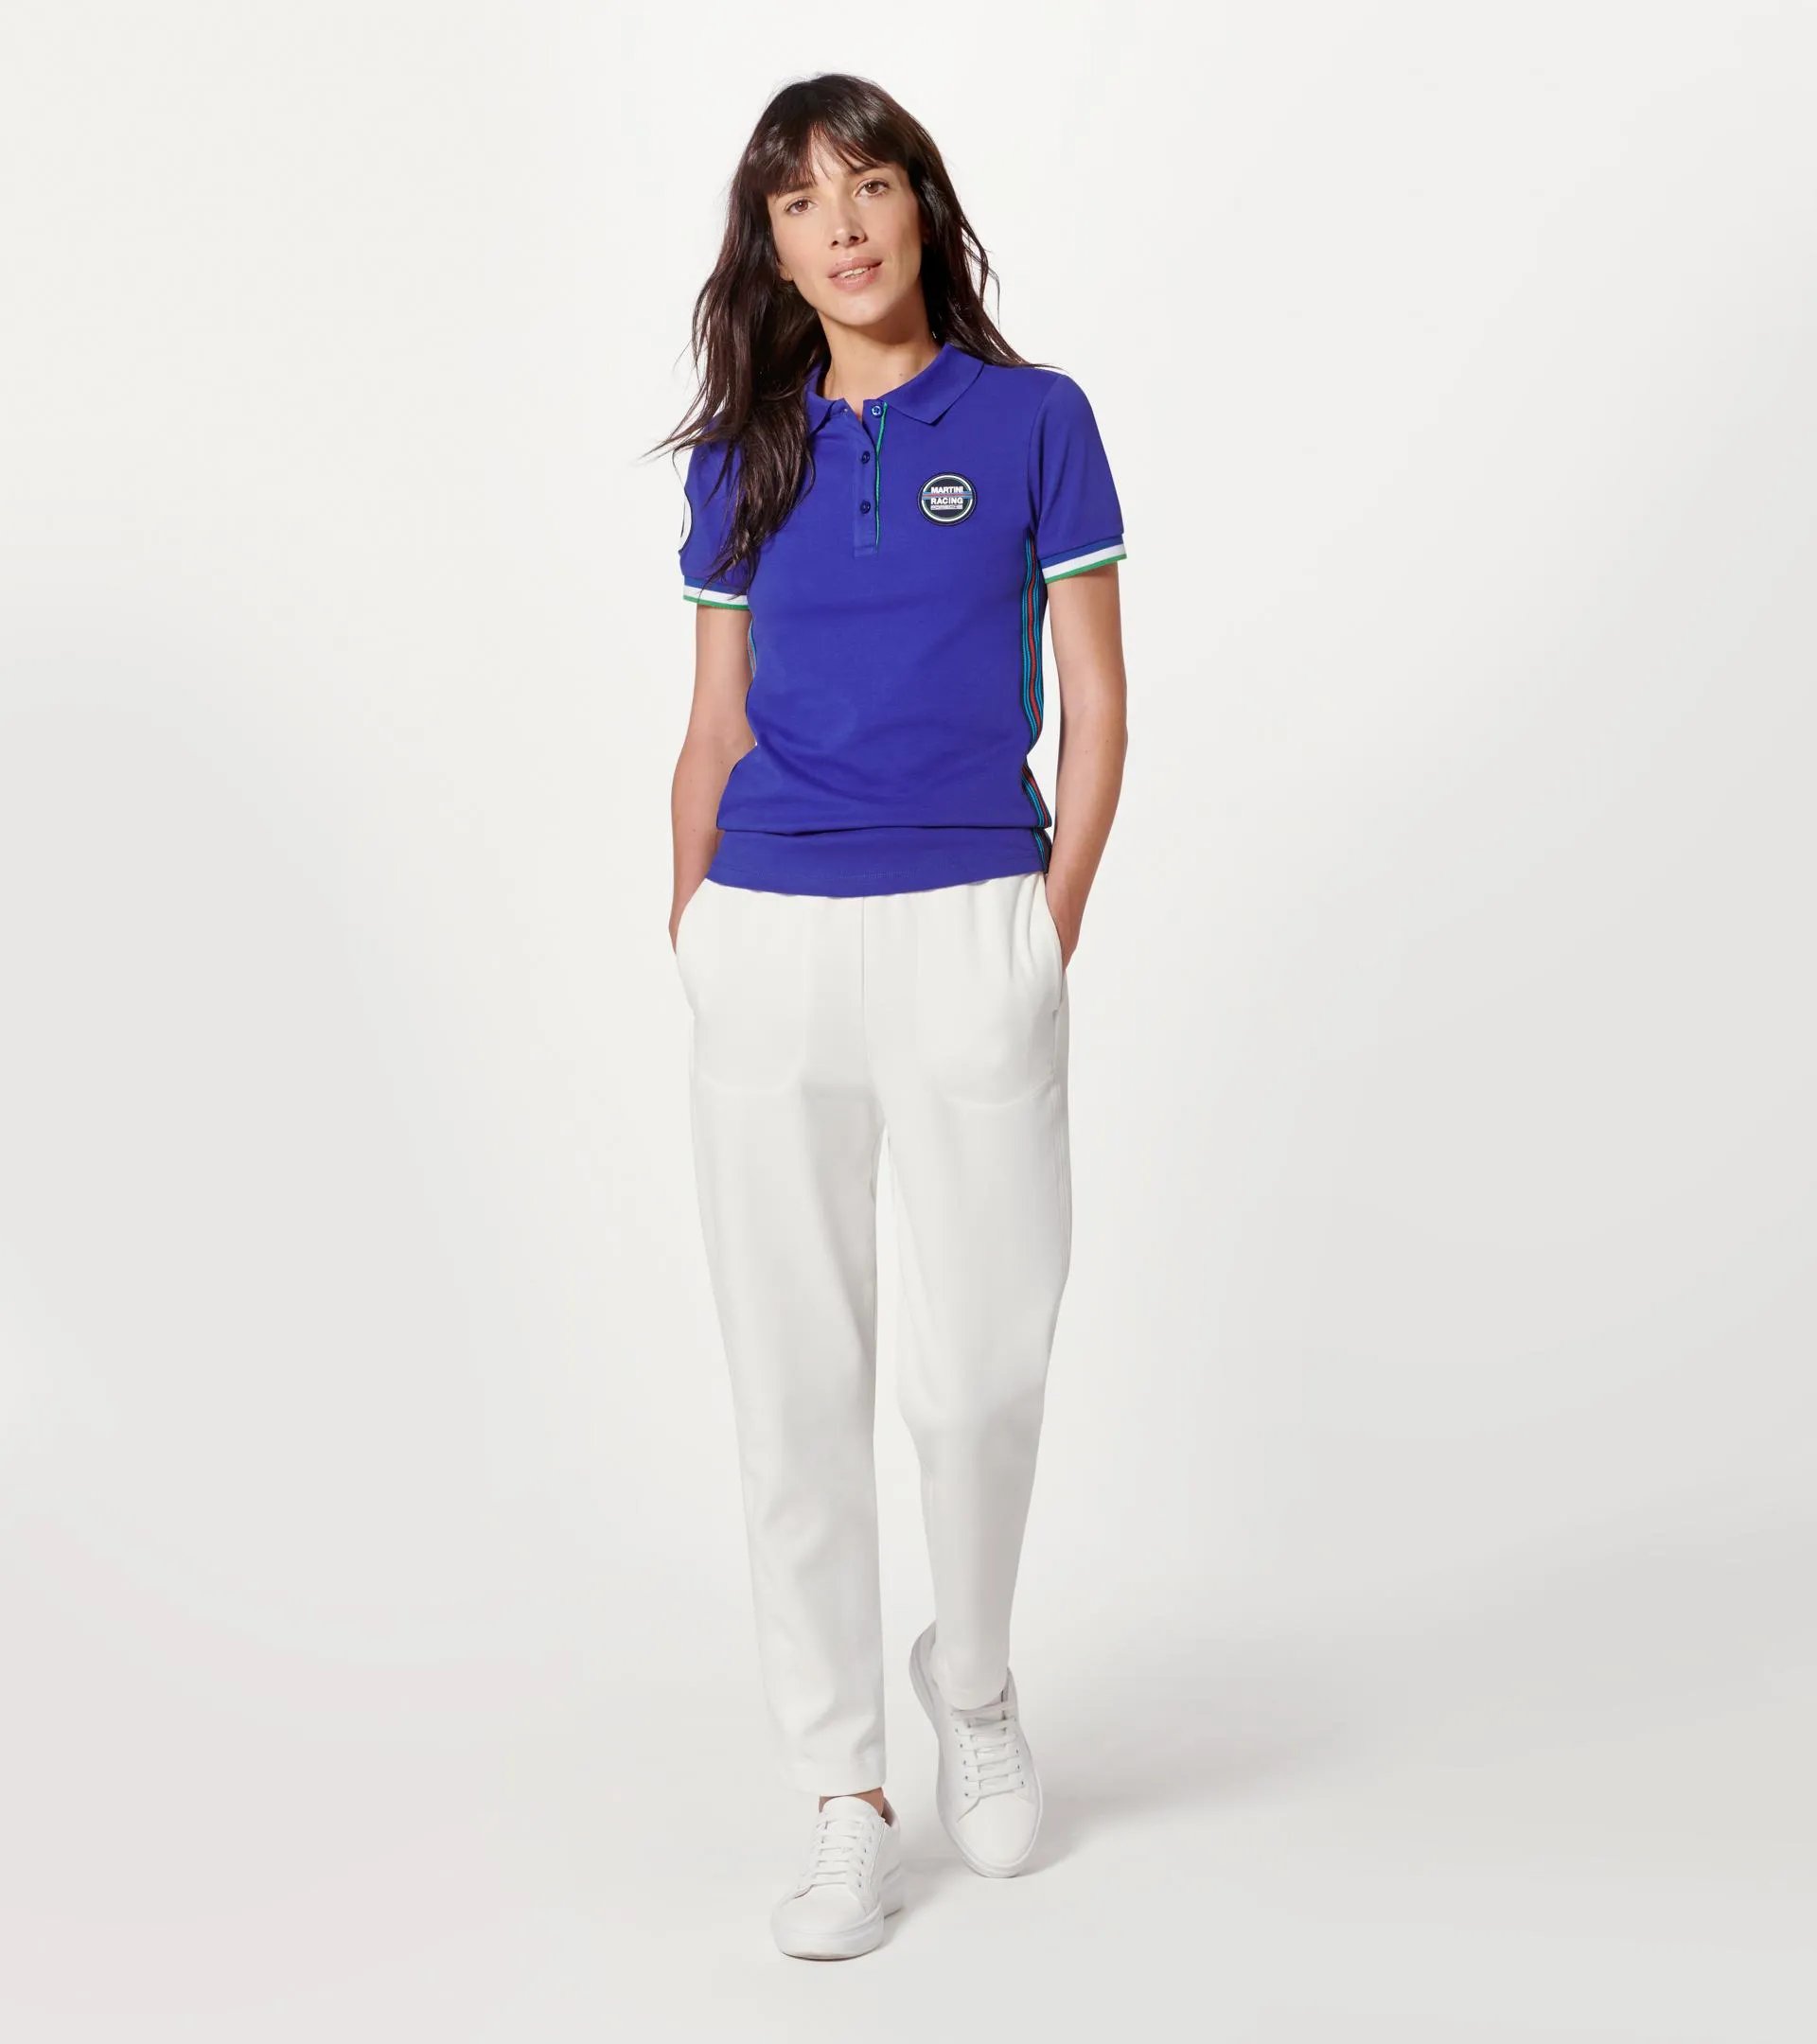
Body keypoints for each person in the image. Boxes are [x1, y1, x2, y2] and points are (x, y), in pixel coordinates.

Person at [650, 72, 1129, 1961]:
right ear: (768, 248)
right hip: (769, 939)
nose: (840, 225)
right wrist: (694, 930)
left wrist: (1041, 931)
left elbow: (1097, 701)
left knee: (983, 1372)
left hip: (970, 923)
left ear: (924, 205)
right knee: (796, 1385)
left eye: (869, 186)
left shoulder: (1032, 422)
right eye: (799, 202)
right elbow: (708, 727)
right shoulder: (741, 455)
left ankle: (974, 1678)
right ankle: (843, 1791)